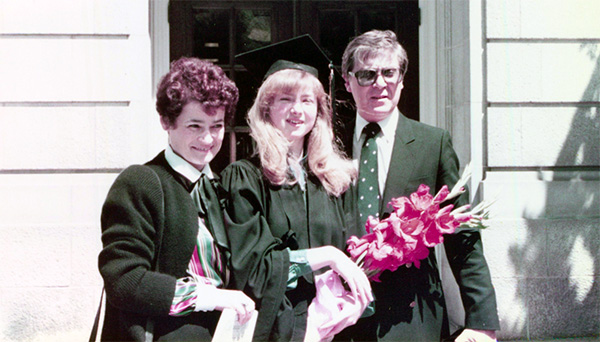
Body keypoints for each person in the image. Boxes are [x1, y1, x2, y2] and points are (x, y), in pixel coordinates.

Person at [333, 30, 500, 342]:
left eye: (388, 72)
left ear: (402, 78)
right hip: (338, 315)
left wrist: (482, 321)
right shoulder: (326, 144)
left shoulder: (432, 143)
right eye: (367, 74)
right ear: (347, 81)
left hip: (413, 316)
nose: (379, 83)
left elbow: (461, 235)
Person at [221, 36, 373, 341]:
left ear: (319, 111)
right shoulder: (245, 178)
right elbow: (255, 269)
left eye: (307, 100)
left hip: (336, 328)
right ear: (266, 108)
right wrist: (329, 255)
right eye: (285, 99)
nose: (297, 110)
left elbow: (354, 256)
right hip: (277, 330)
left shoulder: (333, 180)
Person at [98, 57, 255, 341]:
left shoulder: (220, 187)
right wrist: (213, 297)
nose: (208, 139)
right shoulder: (142, 182)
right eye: (194, 126)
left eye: (216, 126)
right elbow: (124, 280)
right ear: (166, 121)